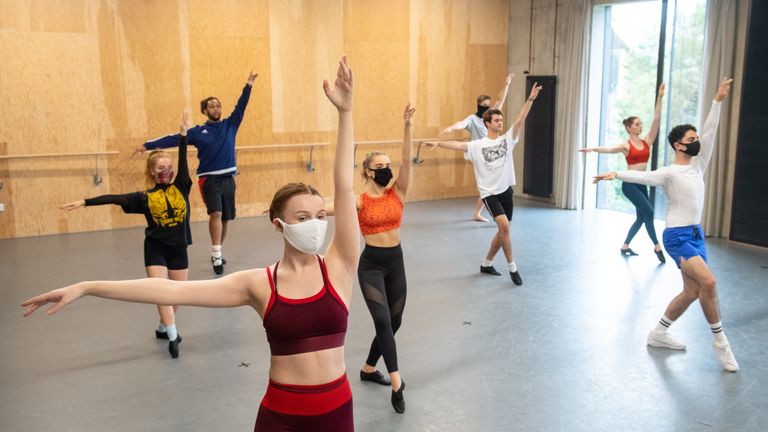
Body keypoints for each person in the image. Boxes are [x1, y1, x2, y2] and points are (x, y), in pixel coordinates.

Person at [24, 56, 359, 430]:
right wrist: (87, 287)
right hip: (281, 417)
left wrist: (345, 113)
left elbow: (344, 185)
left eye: (319, 216)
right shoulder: (259, 284)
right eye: (302, 218)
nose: (314, 225)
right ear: (278, 225)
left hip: (336, 414)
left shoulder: (341, 266)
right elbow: (168, 290)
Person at [593, 78, 738, 372]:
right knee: (709, 283)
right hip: (675, 236)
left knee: (693, 291)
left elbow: (710, 133)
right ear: (678, 145)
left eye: (697, 138)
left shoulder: (699, 165)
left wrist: (717, 102)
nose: (697, 141)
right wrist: (616, 175)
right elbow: (644, 177)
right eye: (691, 138)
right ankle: (721, 343)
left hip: (696, 236)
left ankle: (659, 333)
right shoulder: (670, 172)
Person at [60, 112, 193, 358]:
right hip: (155, 248)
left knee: (178, 295)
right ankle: (174, 336)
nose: (166, 171)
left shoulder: (182, 186)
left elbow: (184, 161)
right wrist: (84, 201)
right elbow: (113, 198)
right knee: (162, 291)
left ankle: (164, 326)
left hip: (179, 247)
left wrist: (184, 134)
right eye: (161, 168)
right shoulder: (143, 197)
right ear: (152, 172)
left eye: (169, 167)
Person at [138, 72, 258, 275]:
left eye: (218, 105)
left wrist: (248, 85)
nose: (216, 108)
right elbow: (174, 138)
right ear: (205, 110)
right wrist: (147, 145)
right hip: (209, 180)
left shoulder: (231, 124)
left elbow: (241, 105)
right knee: (216, 213)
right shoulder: (197, 131)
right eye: (211, 106)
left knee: (226, 218)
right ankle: (217, 255)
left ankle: (217, 250)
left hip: (229, 178)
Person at [425, 83, 543, 286]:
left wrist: (530, 99)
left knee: (503, 231)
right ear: (487, 123)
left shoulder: (508, 140)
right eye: (496, 120)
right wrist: (439, 143)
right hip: (490, 194)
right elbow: (458, 144)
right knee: (504, 227)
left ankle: (486, 263)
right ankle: (512, 267)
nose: (500, 122)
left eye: (501, 119)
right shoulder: (478, 146)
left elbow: (520, 119)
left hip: (506, 192)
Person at [355, 104, 416, 413]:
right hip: (372, 266)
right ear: (368, 171)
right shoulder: (360, 200)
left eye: (387, 164)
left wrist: (407, 125)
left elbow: (407, 160)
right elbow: (324, 206)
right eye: (380, 165)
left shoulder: (398, 193)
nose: (387, 169)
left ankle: (368, 368)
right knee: (382, 320)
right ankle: (396, 383)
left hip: (396, 262)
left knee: (394, 322)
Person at [580, 83, 667, 262]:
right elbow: (609, 149)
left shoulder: (646, 141)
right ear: (629, 127)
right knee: (649, 213)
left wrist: (660, 98)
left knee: (642, 217)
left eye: (641, 124)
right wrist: (593, 149)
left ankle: (625, 246)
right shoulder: (626, 146)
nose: (640, 126)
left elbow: (656, 120)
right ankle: (657, 247)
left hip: (643, 183)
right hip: (630, 185)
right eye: (637, 124)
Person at [441, 74, 514, 222]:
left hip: (492, 154)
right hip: (479, 154)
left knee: (488, 187)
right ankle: (478, 213)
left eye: (488, 105)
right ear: (479, 106)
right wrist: (451, 128)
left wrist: (506, 84)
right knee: (488, 186)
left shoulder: (491, 116)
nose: (486, 108)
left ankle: (476, 213)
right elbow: (461, 123)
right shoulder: (472, 119)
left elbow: (500, 100)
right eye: (484, 106)